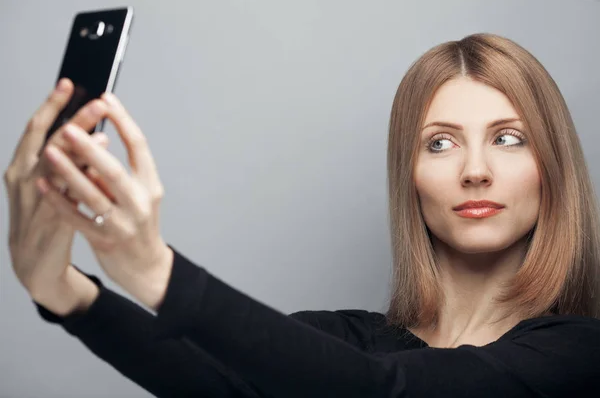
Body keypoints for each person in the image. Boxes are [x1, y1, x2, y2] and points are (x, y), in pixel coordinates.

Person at [5, 32, 600, 397]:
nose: (475, 170)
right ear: (408, 173)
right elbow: (218, 384)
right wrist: (60, 289)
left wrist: (156, 272)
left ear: (551, 164)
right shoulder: (342, 341)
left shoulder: (576, 355)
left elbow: (380, 394)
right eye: (439, 143)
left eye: (509, 138)